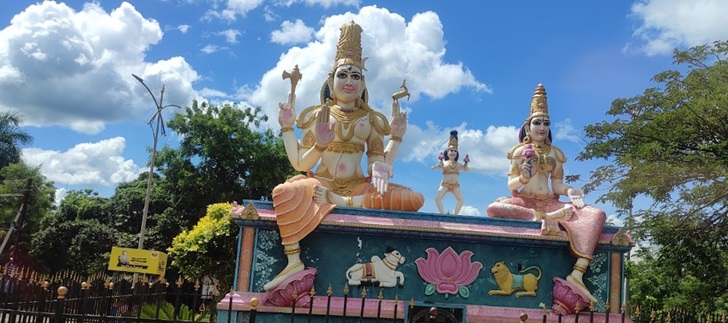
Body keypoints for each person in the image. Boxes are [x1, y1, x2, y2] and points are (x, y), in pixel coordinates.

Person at [268, 21, 424, 291]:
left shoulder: (370, 120)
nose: (349, 81)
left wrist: (395, 141)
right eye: (343, 75)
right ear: (331, 80)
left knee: (413, 198)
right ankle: (294, 260)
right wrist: (316, 142)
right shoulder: (319, 115)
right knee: (285, 191)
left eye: (356, 76)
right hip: (322, 185)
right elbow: (300, 164)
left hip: (356, 188)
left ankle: (343, 201)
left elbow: (377, 165)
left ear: (363, 83)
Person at [486, 84, 606, 303]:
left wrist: (570, 190)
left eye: (546, 123)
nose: (542, 127)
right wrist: (523, 176)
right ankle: (541, 219)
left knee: (596, 215)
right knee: (495, 208)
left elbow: (557, 184)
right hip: (525, 202)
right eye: (537, 122)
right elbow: (511, 185)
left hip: (551, 202)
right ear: (528, 127)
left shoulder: (555, 153)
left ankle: (578, 272)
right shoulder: (519, 152)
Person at [432, 130, 470, 215]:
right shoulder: (444, 163)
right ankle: (442, 214)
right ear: (447, 152)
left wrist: (466, 167)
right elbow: (434, 167)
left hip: (455, 185)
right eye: (451, 150)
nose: (453, 152)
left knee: (461, 200)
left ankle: (455, 215)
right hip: (445, 184)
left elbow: (466, 169)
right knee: (437, 198)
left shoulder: (458, 164)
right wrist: (438, 165)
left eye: (455, 151)